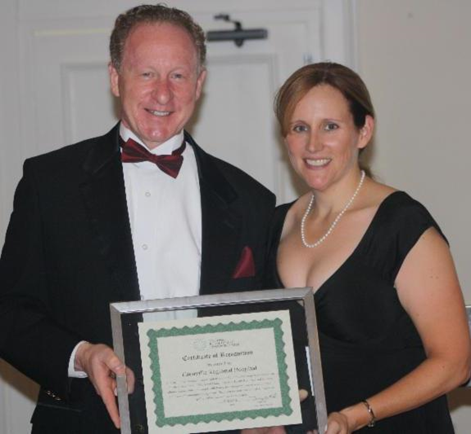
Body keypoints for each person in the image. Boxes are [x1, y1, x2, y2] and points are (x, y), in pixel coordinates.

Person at [0, 4, 275, 434]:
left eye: (178, 75)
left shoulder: (251, 199)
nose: (162, 94)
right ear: (115, 78)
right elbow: (9, 313)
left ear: (199, 83)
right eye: (146, 74)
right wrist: (81, 354)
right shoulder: (49, 183)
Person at [263, 62, 471, 433]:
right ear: (286, 140)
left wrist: (356, 415)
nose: (313, 144)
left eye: (331, 126)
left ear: (364, 131)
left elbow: (455, 363)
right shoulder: (274, 225)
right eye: (300, 128)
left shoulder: (401, 225)